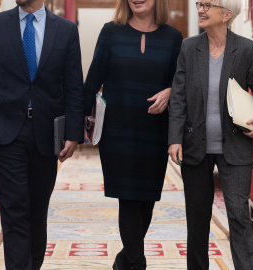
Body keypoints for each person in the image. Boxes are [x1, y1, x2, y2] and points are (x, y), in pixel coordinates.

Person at [0, 0, 84, 269]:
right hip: (4, 132)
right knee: (14, 210)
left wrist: (73, 133)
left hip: (47, 135)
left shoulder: (66, 30)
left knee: (37, 211)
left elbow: (73, 87)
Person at [168, 0, 253, 269]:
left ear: (226, 15)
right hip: (194, 145)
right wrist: (175, 138)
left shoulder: (244, 49)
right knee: (198, 219)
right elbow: (178, 96)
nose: (201, 9)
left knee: (238, 214)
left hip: (234, 146)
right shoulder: (189, 48)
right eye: (200, 4)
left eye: (208, 5)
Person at [83, 0, 182, 269]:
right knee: (127, 199)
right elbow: (92, 80)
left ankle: (124, 260)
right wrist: (74, 127)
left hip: (154, 132)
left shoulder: (173, 37)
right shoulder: (110, 32)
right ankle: (137, 264)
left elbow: (181, 83)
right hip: (117, 132)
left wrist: (170, 92)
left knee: (146, 202)